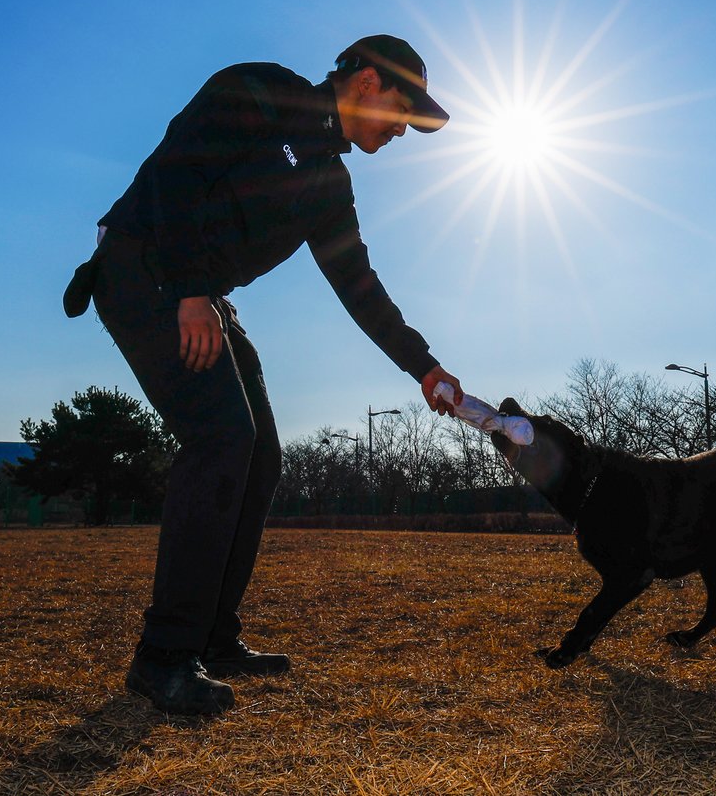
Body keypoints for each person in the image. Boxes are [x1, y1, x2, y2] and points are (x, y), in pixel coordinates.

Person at [63, 35, 464, 715]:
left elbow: (359, 285)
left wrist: (423, 366)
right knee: (222, 437)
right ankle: (163, 656)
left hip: (196, 293)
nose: (402, 130)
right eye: (403, 110)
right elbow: (176, 173)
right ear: (368, 81)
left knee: (261, 454)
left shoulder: (329, 184)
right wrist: (192, 291)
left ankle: (213, 638)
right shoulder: (261, 91)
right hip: (142, 268)